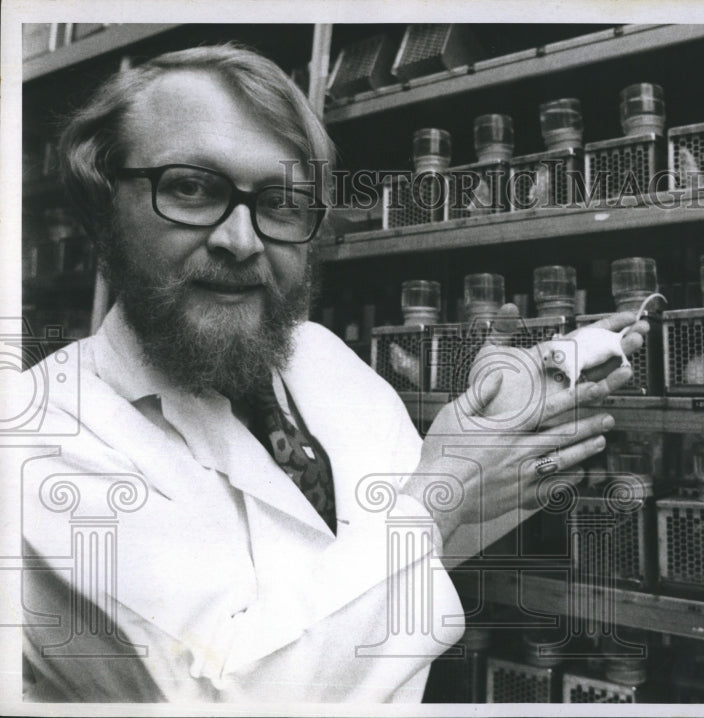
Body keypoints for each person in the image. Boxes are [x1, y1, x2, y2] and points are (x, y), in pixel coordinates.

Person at [17, 44, 647, 703]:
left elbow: (408, 551)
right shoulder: (40, 439)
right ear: (102, 206)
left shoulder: (319, 358)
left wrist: (501, 428)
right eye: (192, 188)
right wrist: (443, 490)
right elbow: (225, 696)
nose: (242, 241)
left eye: (282, 203)